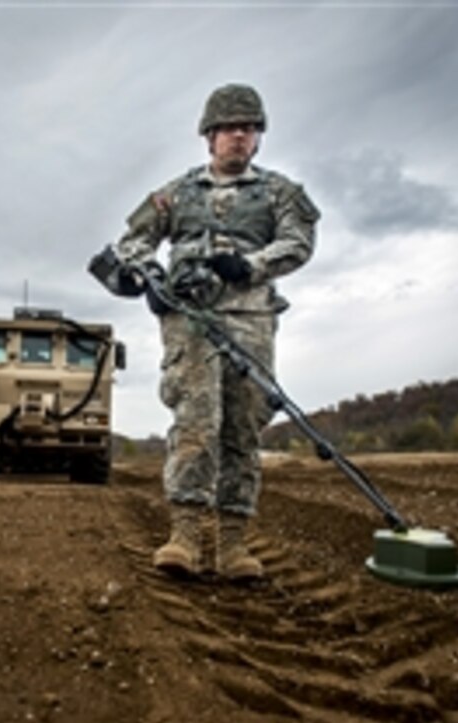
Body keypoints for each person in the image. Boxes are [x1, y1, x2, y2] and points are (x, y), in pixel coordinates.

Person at [110, 84, 320, 581]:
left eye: (249, 128)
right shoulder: (176, 194)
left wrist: (248, 265)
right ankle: (183, 536)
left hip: (251, 321)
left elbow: (298, 241)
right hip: (190, 324)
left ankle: (232, 545)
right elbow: (131, 242)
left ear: (259, 138)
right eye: (229, 128)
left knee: (242, 429)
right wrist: (153, 280)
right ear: (209, 136)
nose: (239, 136)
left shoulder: (279, 193)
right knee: (195, 424)